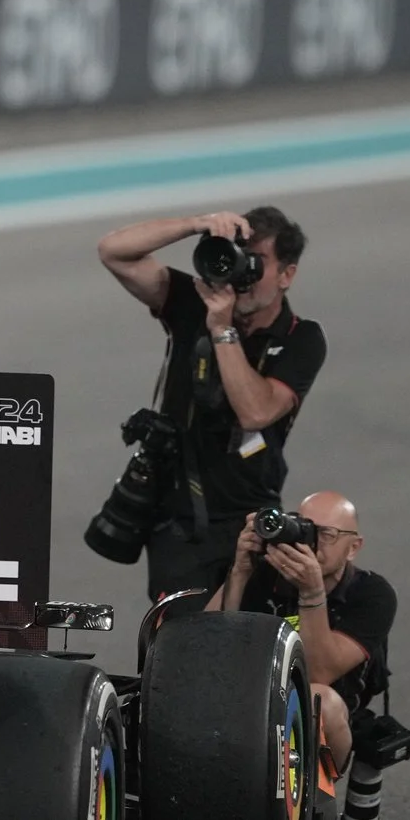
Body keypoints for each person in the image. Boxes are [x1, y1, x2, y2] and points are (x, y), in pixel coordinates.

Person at [97, 205, 327, 599]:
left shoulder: (301, 338)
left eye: (256, 263)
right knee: (182, 634)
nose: (242, 276)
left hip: (251, 517)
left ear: (286, 274)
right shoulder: (195, 302)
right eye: (239, 258)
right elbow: (114, 251)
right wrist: (196, 224)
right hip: (178, 520)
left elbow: (255, 412)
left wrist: (222, 330)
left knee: (245, 632)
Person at [205, 490, 396, 804]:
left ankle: (314, 799)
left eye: (326, 534)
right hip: (248, 702)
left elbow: (318, 673)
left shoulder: (372, 595)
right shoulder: (265, 575)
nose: (312, 542)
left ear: (353, 547)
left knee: (321, 700)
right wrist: (240, 571)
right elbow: (205, 646)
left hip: (329, 722)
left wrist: (311, 594)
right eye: (304, 528)